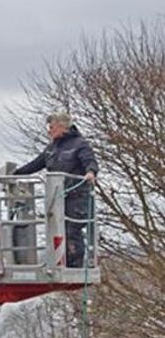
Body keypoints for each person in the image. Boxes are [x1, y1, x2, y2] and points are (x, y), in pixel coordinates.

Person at [13, 111, 98, 267]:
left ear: (62, 126)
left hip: (76, 197)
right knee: (56, 230)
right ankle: (59, 263)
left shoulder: (80, 144)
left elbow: (89, 161)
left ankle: (74, 266)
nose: (49, 131)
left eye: (51, 127)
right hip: (57, 197)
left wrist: (91, 172)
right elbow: (35, 164)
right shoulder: (51, 148)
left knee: (72, 231)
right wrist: (15, 174)